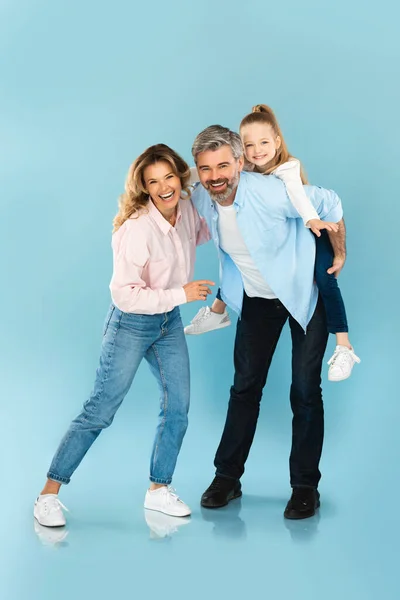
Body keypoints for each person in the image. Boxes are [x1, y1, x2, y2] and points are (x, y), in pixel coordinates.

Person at [33, 144, 213, 528]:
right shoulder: (136, 229)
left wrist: (211, 181)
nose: (164, 187)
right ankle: (48, 494)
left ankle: (158, 489)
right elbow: (124, 293)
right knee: (101, 408)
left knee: (178, 407)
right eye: (153, 182)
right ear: (144, 188)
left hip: (167, 322)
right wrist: (182, 294)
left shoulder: (186, 209)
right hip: (131, 322)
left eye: (169, 177)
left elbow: (204, 217)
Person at [190, 124, 344, 519]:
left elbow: (330, 203)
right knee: (244, 388)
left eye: (223, 165)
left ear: (240, 163)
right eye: (205, 169)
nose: (215, 176)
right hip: (257, 301)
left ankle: (305, 486)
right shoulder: (204, 198)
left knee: (305, 391)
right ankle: (227, 477)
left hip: (303, 298)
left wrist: (338, 254)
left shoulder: (273, 193)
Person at [185, 105, 360, 382]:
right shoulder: (231, 177)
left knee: (326, 280)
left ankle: (344, 345)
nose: (257, 150)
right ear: (242, 153)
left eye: (264, 143)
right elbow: (196, 173)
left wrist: (334, 245)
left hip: (314, 238)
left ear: (277, 142)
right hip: (261, 285)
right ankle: (218, 312)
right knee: (238, 255)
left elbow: (316, 200)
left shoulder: (284, 175)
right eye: (249, 145)